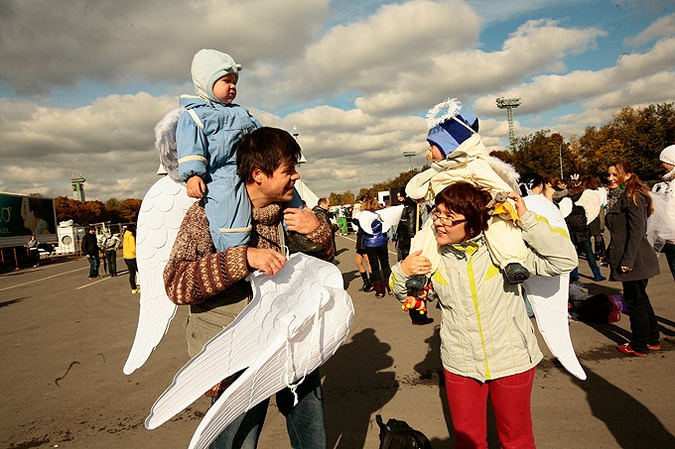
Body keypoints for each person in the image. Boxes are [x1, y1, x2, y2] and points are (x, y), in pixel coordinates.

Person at [164, 127, 334, 449]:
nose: (296, 177)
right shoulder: (208, 215)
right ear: (258, 173)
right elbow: (176, 283)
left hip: (292, 342)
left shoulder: (292, 213)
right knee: (234, 442)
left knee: (312, 432)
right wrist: (242, 258)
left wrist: (319, 232)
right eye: (288, 170)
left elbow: (325, 267)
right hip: (233, 354)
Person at [390, 182, 577, 448]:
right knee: (469, 442)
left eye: (449, 217)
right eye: (437, 214)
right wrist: (402, 271)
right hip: (460, 363)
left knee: (516, 440)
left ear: (474, 223)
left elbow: (564, 261)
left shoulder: (506, 250)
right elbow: (405, 296)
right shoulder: (435, 255)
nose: (439, 223)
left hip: (511, 359)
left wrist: (528, 221)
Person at [406, 98, 529, 284]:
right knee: (427, 235)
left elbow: (497, 185)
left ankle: (511, 261)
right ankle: (421, 272)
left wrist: (502, 200)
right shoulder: (440, 172)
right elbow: (431, 190)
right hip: (446, 217)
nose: (429, 150)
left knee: (497, 227)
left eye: (432, 145)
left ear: (448, 145)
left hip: (478, 213)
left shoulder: (473, 165)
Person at [605, 161, 661, 357]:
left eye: (615, 174)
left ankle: (639, 344)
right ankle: (652, 338)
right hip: (630, 256)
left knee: (635, 302)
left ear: (628, 175)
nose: (610, 178)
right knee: (641, 299)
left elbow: (637, 231)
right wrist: (608, 252)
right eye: (609, 175)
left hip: (635, 259)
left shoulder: (633, 196)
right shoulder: (624, 195)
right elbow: (620, 232)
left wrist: (628, 260)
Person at [394, 189, 433, 325]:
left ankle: (417, 314)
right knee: (418, 283)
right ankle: (420, 316)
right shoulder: (412, 208)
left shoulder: (405, 208)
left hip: (405, 245)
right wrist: (416, 242)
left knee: (414, 285)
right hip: (412, 246)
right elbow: (411, 229)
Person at [356, 195, 392, 298]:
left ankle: (380, 291)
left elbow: (362, 231)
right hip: (382, 242)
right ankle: (390, 288)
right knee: (385, 265)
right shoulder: (381, 214)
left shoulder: (364, 215)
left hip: (370, 243)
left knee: (374, 267)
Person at [651, 144, 675, 280]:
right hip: (669, 240)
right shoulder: (665, 185)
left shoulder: (671, 187)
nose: (662, 166)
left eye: (665, 163)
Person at [313, 197, 337, 262]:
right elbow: (327, 228)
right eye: (328, 205)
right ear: (323, 204)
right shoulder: (320, 213)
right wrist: (335, 226)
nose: (329, 207)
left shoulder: (318, 212)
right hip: (325, 247)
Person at [123, 225, 139, 294]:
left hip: (126, 257)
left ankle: (133, 288)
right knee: (139, 271)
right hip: (132, 257)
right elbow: (133, 249)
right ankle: (142, 285)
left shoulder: (125, 237)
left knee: (132, 273)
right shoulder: (131, 237)